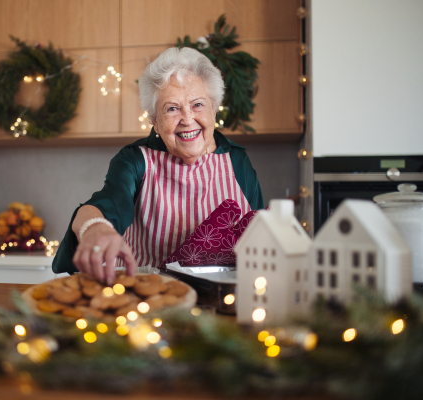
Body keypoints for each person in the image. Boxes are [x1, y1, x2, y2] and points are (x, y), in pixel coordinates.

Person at [52, 47, 264, 284]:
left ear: (214, 109)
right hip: (147, 301)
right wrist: (93, 227)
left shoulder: (237, 160)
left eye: (198, 105)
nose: (187, 119)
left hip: (219, 302)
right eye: (172, 108)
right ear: (154, 120)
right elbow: (106, 204)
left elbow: (259, 233)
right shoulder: (135, 159)